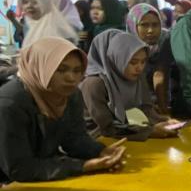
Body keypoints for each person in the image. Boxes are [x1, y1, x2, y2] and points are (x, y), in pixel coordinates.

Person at [0, 37, 127, 183]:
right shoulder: (9, 104)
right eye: (61, 70)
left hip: (44, 175)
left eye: (77, 70)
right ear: (40, 67)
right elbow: (19, 169)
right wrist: (83, 166)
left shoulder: (70, 95)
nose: (71, 78)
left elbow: (73, 138)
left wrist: (100, 151)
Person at [80, 30, 178, 141]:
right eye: (133, 62)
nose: (139, 68)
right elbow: (107, 127)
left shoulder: (136, 76)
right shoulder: (94, 84)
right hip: (99, 140)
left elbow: (145, 109)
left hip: (130, 135)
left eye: (143, 62)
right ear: (116, 58)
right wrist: (150, 131)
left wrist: (164, 121)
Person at [125, 3, 173, 113]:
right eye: (144, 25)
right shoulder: (124, 49)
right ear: (133, 26)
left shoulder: (164, 41)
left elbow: (160, 75)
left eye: (155, 25)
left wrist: (162, 107)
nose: (150, 30)